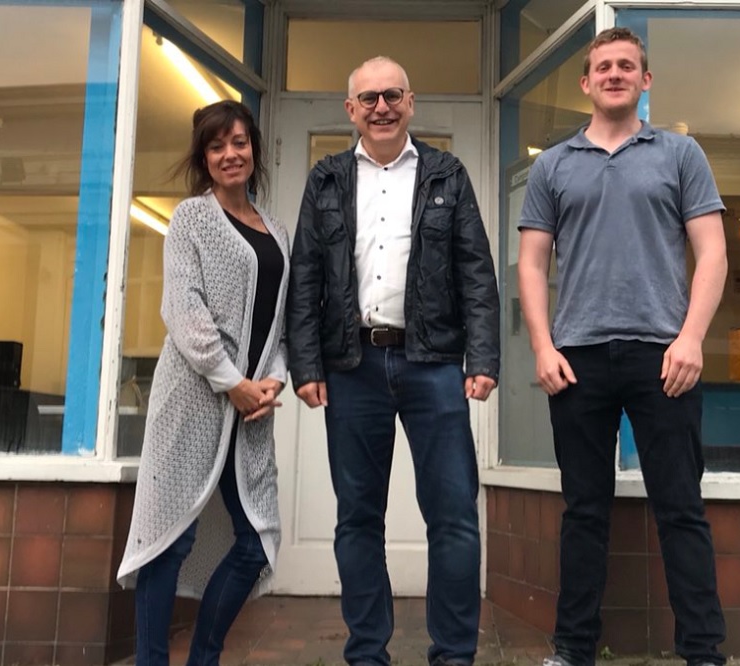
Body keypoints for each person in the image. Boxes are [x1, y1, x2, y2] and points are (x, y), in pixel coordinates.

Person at [516, 27, 728, 666]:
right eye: (603, 66)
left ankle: (703, 652)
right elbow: (532, 264)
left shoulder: (680, 154)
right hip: (576, 359)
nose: (614, 74)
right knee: (584, 512)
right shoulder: (553, 164)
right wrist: (542, 346)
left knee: (680, 508)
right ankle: (573, 649)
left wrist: (692, 339)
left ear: (645, 79)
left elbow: (713, 252)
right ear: (586, 82)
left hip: (664, 357)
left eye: (626, 66)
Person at [287, 56, 499, 666]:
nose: (381, 107)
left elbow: (476, 272)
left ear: (411, 103)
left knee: (454, 516)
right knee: (357, 519)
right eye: (369, 98)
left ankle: (454, 655)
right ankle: (366, 654)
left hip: (433, 364)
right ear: (350, 110)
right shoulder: (326, 180)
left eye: (392, 96)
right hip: (351, 367)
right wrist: (307, 365)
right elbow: (305, 277)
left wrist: (482, 356)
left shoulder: (447, 174)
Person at [117, 100, 291, 666]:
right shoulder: (191, 219)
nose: (229, 154)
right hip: (192, 400)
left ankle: (204, 657)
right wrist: (230, 381)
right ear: (204, 158)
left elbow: (282, 324)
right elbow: (184, 309)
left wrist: (272, 381)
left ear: (254, 148)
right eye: (216, 146)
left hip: (252, 410)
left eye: (239, 142)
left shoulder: (278, 231)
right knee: (170, 538)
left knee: (255, 541)